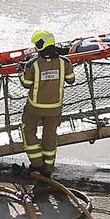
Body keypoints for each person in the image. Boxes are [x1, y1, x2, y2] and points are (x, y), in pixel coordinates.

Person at [18, 29, 76, 176]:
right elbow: (71, 79)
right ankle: (48, 168)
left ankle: (37, 163)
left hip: (35, 107)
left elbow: (26, 83)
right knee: (50, 135)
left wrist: (20, 71)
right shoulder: (65, 62)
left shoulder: (32, 64)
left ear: (40, 46)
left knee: (28, 131)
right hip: (55, 107)